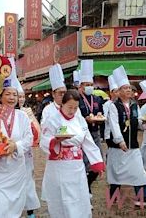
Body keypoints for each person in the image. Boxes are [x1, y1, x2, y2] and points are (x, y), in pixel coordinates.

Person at [40, 89, 104, 217]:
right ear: (62, 104)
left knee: (79, 197)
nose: (72, 111)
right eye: (69, 107)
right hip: (59, 166)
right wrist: (56, 141)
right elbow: (44, 140)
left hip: (77, 166)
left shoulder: (79, 120)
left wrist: (97, 163)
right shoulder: (52, 119)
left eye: (75, 108)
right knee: (63, 199)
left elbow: (88, 142)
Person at [0, 67, 33, 218]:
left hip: (16, 169)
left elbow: (28, 139)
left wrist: (15, 146)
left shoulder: (22, 116)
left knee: (13, 207)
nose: (11, 98)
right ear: (1, 96)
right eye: (8, 94)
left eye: (14, 94)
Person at [107, 66, 146, 206]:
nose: (128, 90)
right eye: (125, 88)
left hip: (133, 145)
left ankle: (142, 197)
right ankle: (113, 195)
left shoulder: (134, 105)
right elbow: (114, 124)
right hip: (118, 147)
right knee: (116, 173)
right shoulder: (114, 106)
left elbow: (139, 121)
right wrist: (119, 140)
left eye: (130, 88)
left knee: (139, 171)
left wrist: (145, 124)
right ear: (119, 91)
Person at [16, 67, 41, 218]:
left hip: (26, 153)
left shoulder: (28, 112)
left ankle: (30, 210)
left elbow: (37, 133)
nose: (20, 99)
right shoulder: (5, 113)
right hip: (11, 154)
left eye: (21, 96)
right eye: (17, 96)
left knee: (28, 181)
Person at [78, 59, 104, 196]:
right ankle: (84, 190)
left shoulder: (97, 99)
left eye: (91, 84)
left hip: (95, 133)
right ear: (81, 86)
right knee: (84, 164)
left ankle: (87, 184)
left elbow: (101, 113)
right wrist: (85, 119)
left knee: (99, 162)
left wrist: (99, 115)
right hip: (82, 136)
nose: (89, 87)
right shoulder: (77, 99)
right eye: (86, 85)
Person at [103, 75, 119, 148]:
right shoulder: (107, 104)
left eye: (118, 92)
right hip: (109, 132)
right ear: (111, 93)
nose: (117, 94)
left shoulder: (120, 104)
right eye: (115, 92)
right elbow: (105, 117)